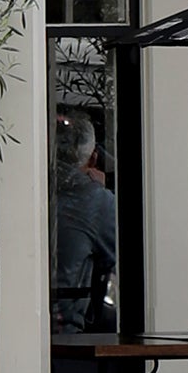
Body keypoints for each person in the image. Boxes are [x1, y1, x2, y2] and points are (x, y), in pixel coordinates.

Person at [49, 112, 119, 333]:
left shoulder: (36, 190)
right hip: (66, 331)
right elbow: (122, 258)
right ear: (93, 158)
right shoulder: (96, 201)